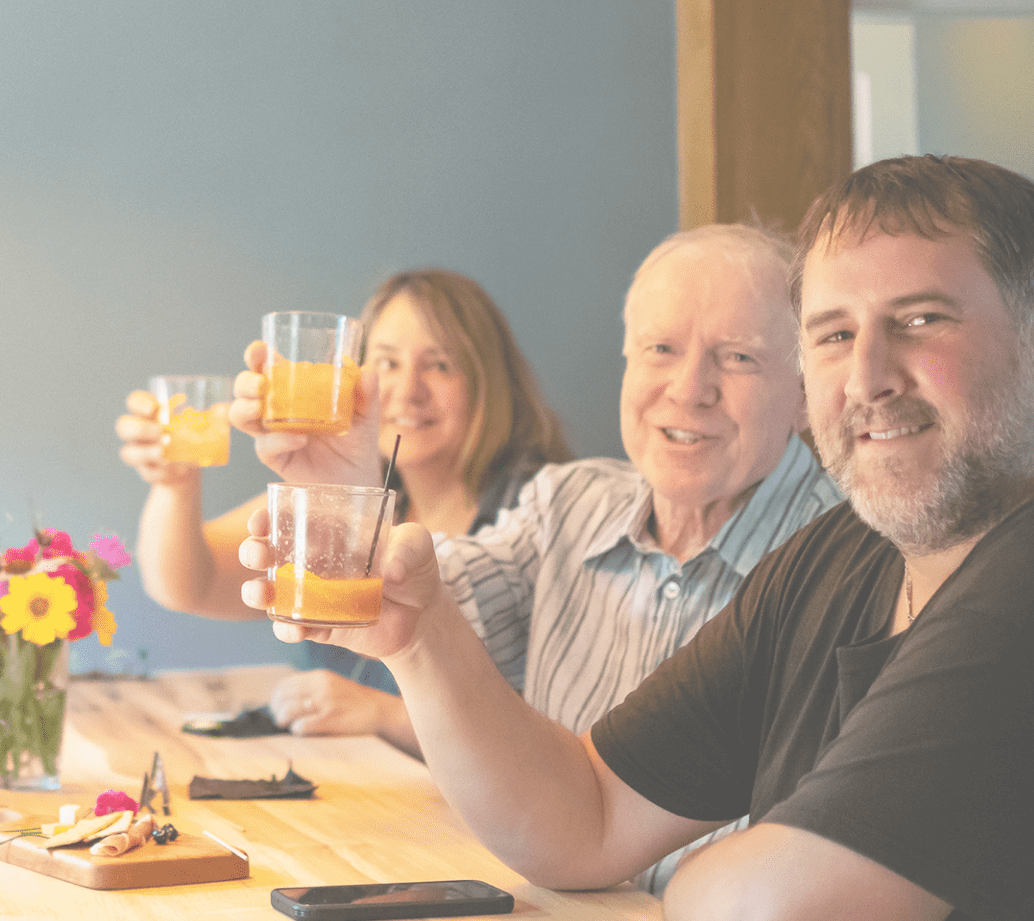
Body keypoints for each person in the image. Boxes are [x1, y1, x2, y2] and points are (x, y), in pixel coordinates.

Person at [251, 155, 1034, 919]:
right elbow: (584, 818)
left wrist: (688, 887)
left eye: (922, 319)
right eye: (833, 334)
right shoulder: (836, 555)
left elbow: (765, 905)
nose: (867, 376)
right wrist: (418, 636)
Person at [233, 223, 844, 891]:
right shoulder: (567, 503)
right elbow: (413, 600)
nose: (689, 387)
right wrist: (347, 487)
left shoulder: (854, 564)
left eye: (738, 358)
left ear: (807, 392)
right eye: (660, 349)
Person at [117, 268, 571, 741]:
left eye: (440, 365)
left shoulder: (540, 513)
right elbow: (189, 584)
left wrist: (385, 714)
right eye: (388, 363)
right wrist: (176, 485)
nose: (408, 390)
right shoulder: (353, 497)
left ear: (490, 383)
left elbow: (562, 736)